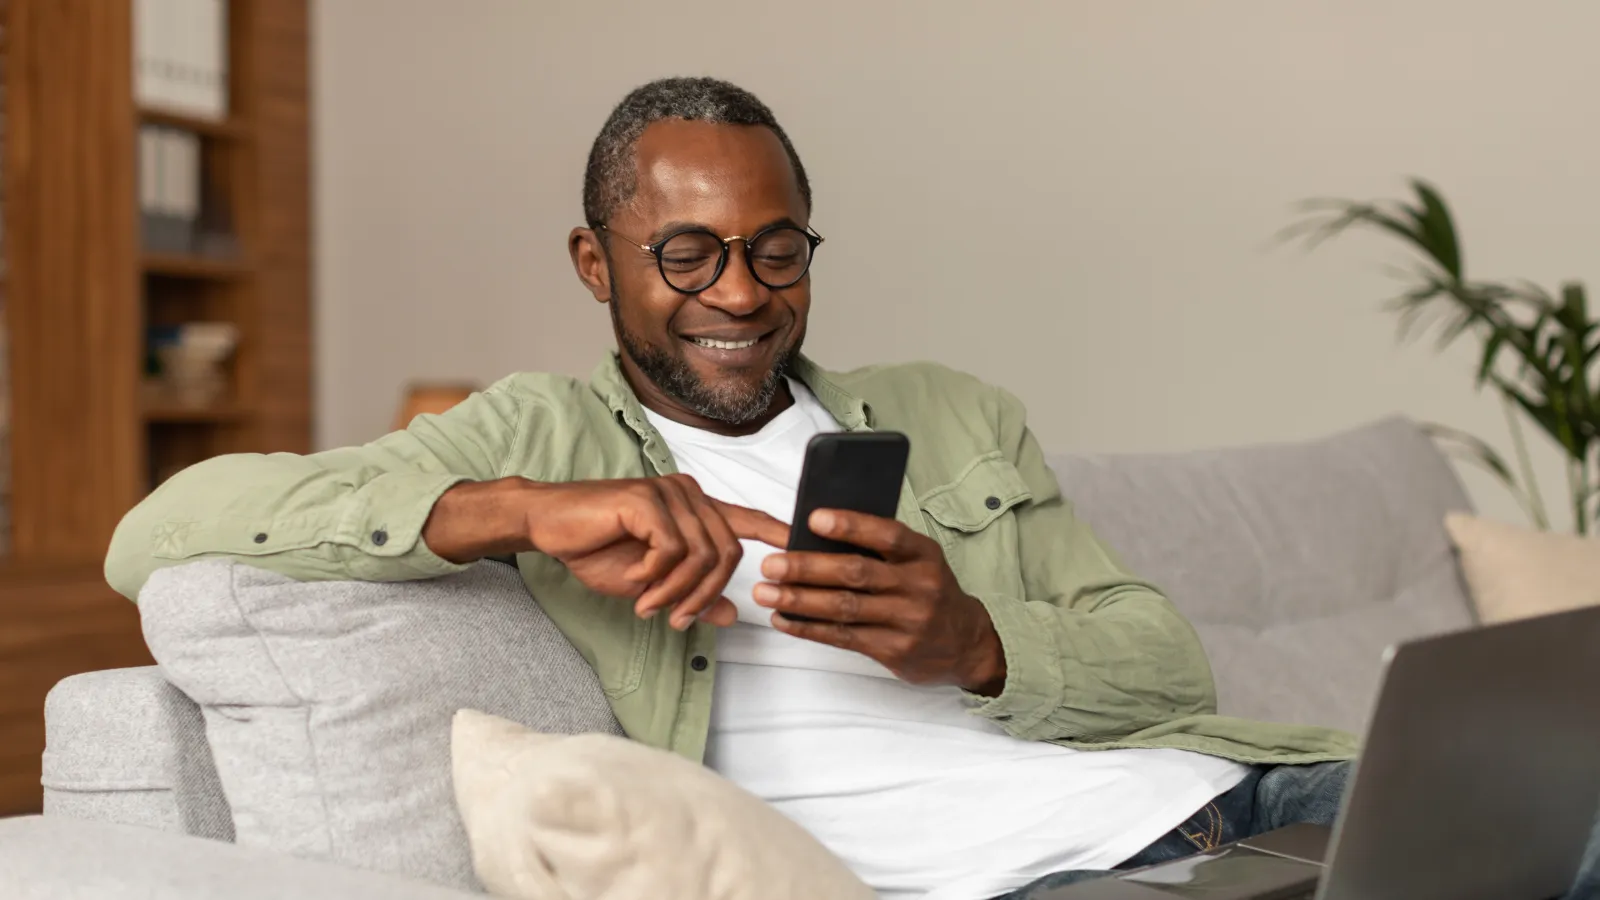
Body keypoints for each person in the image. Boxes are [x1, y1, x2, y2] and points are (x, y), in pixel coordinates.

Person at [106, 77, 1599, 900]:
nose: (738, 294)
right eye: (684, 253)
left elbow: (1161, 658)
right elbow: (156, 534)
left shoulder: (949, 418)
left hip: (1239, 799)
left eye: (777, 249)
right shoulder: (539, 433)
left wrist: (978, 645)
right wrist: (511, 510)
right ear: (596, 264)